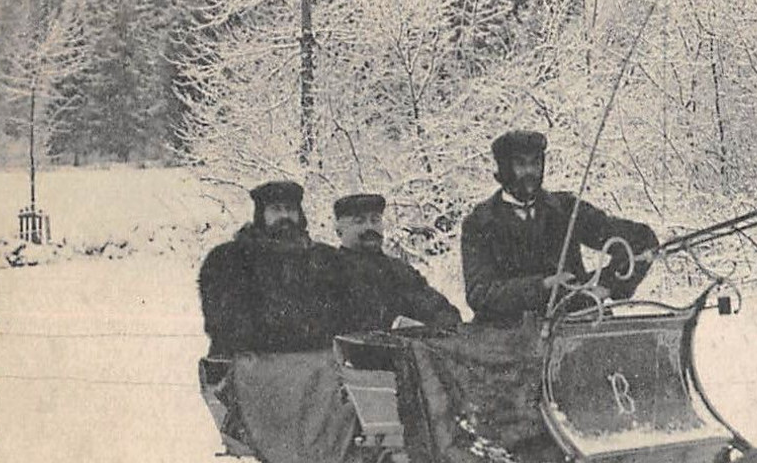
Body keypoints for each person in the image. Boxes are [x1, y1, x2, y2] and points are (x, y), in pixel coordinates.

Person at [461, 129, 659, 324]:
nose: (530, 172)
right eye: (520, 164)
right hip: (508, 339)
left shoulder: (565, 210)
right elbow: (479, 293)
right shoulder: (480, 223)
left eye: (536, 163)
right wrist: (542, 286)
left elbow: (641, 240)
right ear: (503, 169)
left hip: (571, 325)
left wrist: (608, 286)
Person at [198, 181, 348, 358]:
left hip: (313, 371)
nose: (285, 216)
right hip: (250, 369)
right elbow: (226, 327)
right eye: (276, 209)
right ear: (261, 215)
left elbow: (339, 318)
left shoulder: (326, 259)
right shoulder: (229, 258)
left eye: (290, 209)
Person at [331, 192, 462, 332]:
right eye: (359, 221)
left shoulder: (399, 271)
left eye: (375, 220)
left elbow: (441, 312)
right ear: (339, 231)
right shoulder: (329, 269)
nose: (369, 227)